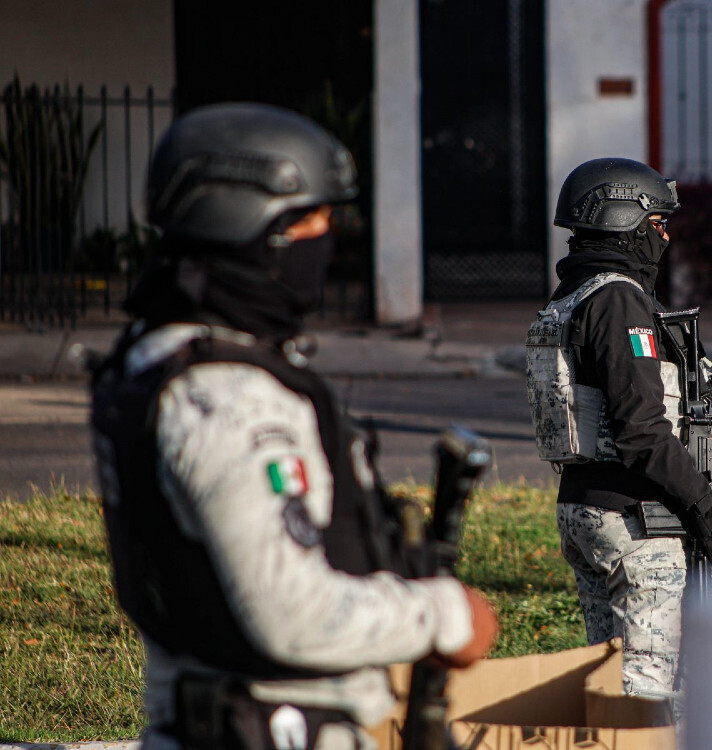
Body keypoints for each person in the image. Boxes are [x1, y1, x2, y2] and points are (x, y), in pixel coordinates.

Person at [89, 102, 497, 750]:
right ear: (253, 228)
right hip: (264, 730)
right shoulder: (230, 400)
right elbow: (291, 614)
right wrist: (445, 616)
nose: (329, 237)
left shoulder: (157, 360)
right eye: (311, 218)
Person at [539, 157, 712, 703]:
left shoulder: (572, 297)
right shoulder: (617, 300)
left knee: (607, 686)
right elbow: (642, 429)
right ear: (623, 217)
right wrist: (704, 508)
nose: (665, 236)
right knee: (648, 692)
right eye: (657, 223)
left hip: (583, 508)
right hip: (634, 520)